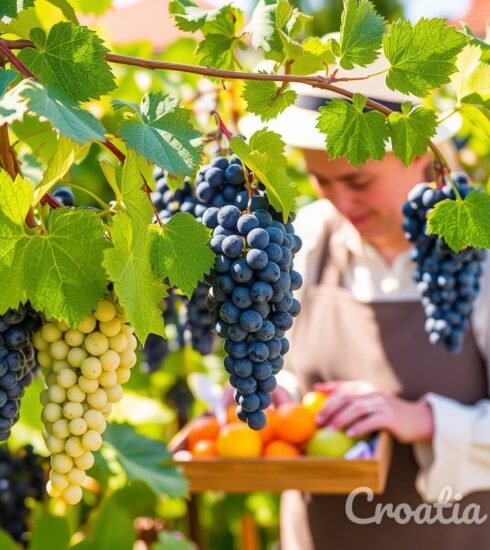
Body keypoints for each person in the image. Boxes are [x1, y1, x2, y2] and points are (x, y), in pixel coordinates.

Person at [239, 54, 490, 550]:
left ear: (420, 154)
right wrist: (269, 395)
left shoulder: (479, 256)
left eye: (358, 182)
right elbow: (286, 369)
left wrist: (427, 421)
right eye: (321, 180)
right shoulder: (304, 239)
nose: (340, 203)